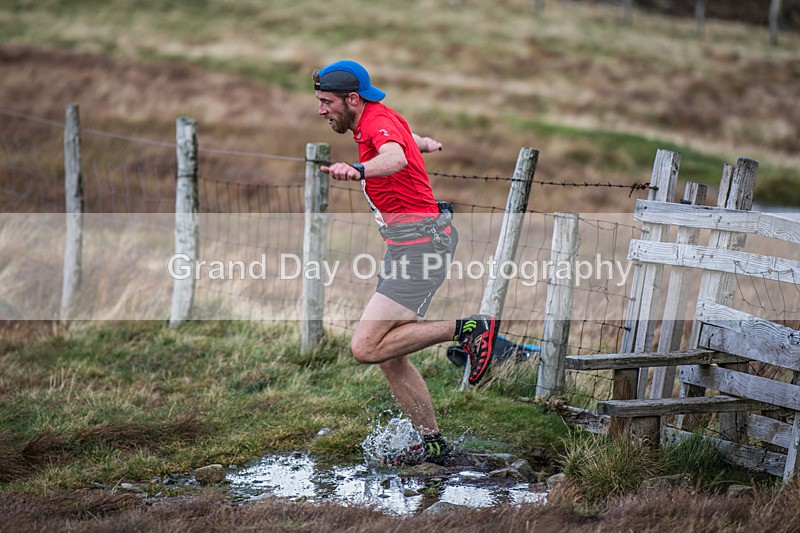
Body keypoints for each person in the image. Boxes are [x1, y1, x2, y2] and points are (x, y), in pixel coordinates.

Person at [312, 60, 500, 466]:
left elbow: (394, 157)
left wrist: (359, 169)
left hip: (421, 249)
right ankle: (432, 444)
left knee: (365, 347)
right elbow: (399, 141)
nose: (321, 110)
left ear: (351, 98)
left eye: (326, 102)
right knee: (389, 354)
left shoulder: (376, 121)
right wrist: (422, 142)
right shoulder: (372, 121)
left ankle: (470, 329)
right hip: (406, 247)